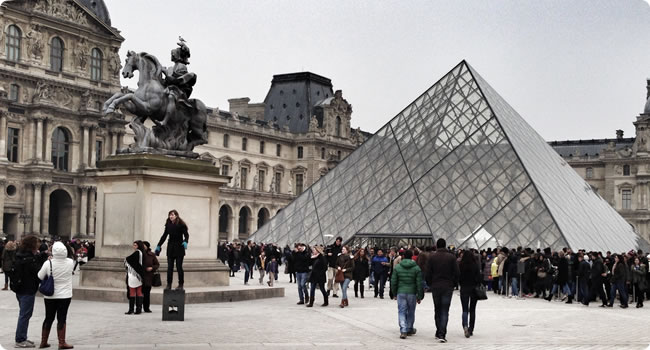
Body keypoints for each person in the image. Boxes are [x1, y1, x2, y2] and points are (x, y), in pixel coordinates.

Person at [11, 235, 48, 348]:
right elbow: (38, 273)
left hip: (20, 289)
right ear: (32, 245)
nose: (39, 245)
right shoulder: (29, 259)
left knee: (24, 314)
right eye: (37, 243)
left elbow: (34, 261)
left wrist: (42, 254)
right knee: (25, 315)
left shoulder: (21, 255)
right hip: (27, 289)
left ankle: (22, 337)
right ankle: (20, 339)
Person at [37, 241, 74, 349]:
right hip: (65, 295)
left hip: (50, 295)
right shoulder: (70, 262)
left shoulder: (48, 263)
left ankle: (43, 341)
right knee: (62, 318)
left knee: (48, 318)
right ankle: (61, 342)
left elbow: (39, 276)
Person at [425, 238, 459, 343]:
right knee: (445, 310)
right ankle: (442, 333)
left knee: (437, 309)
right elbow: (457, 273)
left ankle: (438, 330)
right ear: (445, 245)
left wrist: (430, 284)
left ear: (436, 245)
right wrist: (454, 284)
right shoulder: (452, 257)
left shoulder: (432, 257)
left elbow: (428, 273)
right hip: (448, 286)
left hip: (436, 286)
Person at [390, 249, 424, 339]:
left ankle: (403, 329)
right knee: (411, 311)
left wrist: (394, 293)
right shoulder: (416, 268)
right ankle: (409, 328)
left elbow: (393, 281)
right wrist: (420, 295)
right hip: (412, 293)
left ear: (403, 256)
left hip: (401, 292)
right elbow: (419, 283)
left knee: (401, 311)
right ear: (412, 256)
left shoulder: (397, 267)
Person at [155, 209, 189, 290]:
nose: (171, 216)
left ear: (176, 215)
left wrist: (185, 241)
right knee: (169, 267)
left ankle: (181, 284)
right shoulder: (168, 224)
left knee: (179, 267)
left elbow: (186, 235)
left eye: (172, 215)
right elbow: (164, 236)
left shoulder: (181, 224)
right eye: (170, 215)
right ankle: (169, 284)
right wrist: (159, 245)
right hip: (170, 248)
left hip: (179, 247)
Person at [458, 249, 481, 338]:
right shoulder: (475, 265)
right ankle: (471, 329)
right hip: (473, 289)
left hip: (464, 288)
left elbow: (458, 277)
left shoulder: (461, 265)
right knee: (472, 310)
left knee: (464, 309)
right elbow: (479, 278)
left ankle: (465, 326)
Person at [125, 241, 145, 315]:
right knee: (138, 292)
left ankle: (131, 309)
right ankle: (138, 309)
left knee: (133, 291)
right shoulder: (141, 253)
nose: (134, 246)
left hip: (135, 275)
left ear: (138, 246)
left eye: (135, 245)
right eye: (133, 245)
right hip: (139, 275)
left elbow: (128, 259)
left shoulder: (137, 253)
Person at [142, 241, 160, 313]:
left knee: (147, 293)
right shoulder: (138, 254)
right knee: (140, 293)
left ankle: (146, 308)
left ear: (147, 246)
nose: (143, 247)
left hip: (149, 277)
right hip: (140, 276)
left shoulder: (152, 255)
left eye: (144, 245)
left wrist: (152, 268)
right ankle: (139, 307)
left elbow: (157, 264)